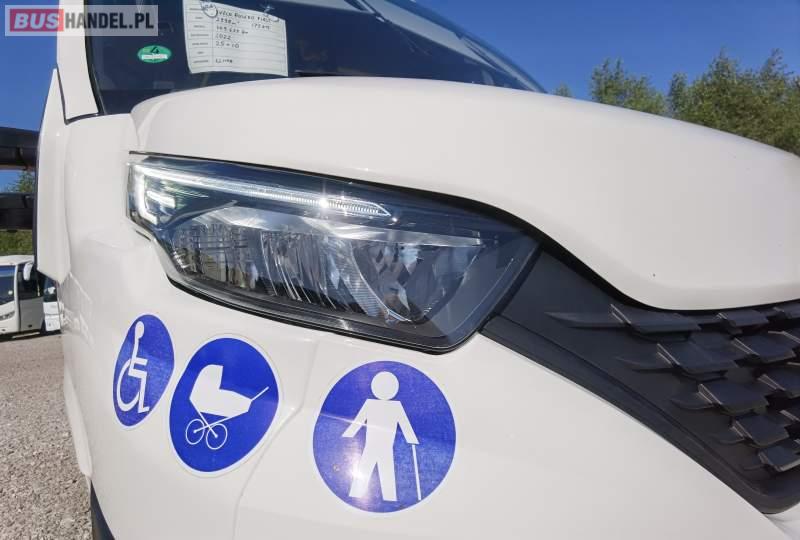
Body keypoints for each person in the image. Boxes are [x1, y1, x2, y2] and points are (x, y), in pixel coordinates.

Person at [342, 371, 419, 502]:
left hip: (385, 446)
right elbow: (358, 421)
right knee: (368, 468)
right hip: (372, 445)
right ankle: (360, 493)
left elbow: (404, 424)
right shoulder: (371, 404)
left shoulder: (395, 406)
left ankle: (389, 497)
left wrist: (411, 438)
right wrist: (349, 433)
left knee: (384, 470)